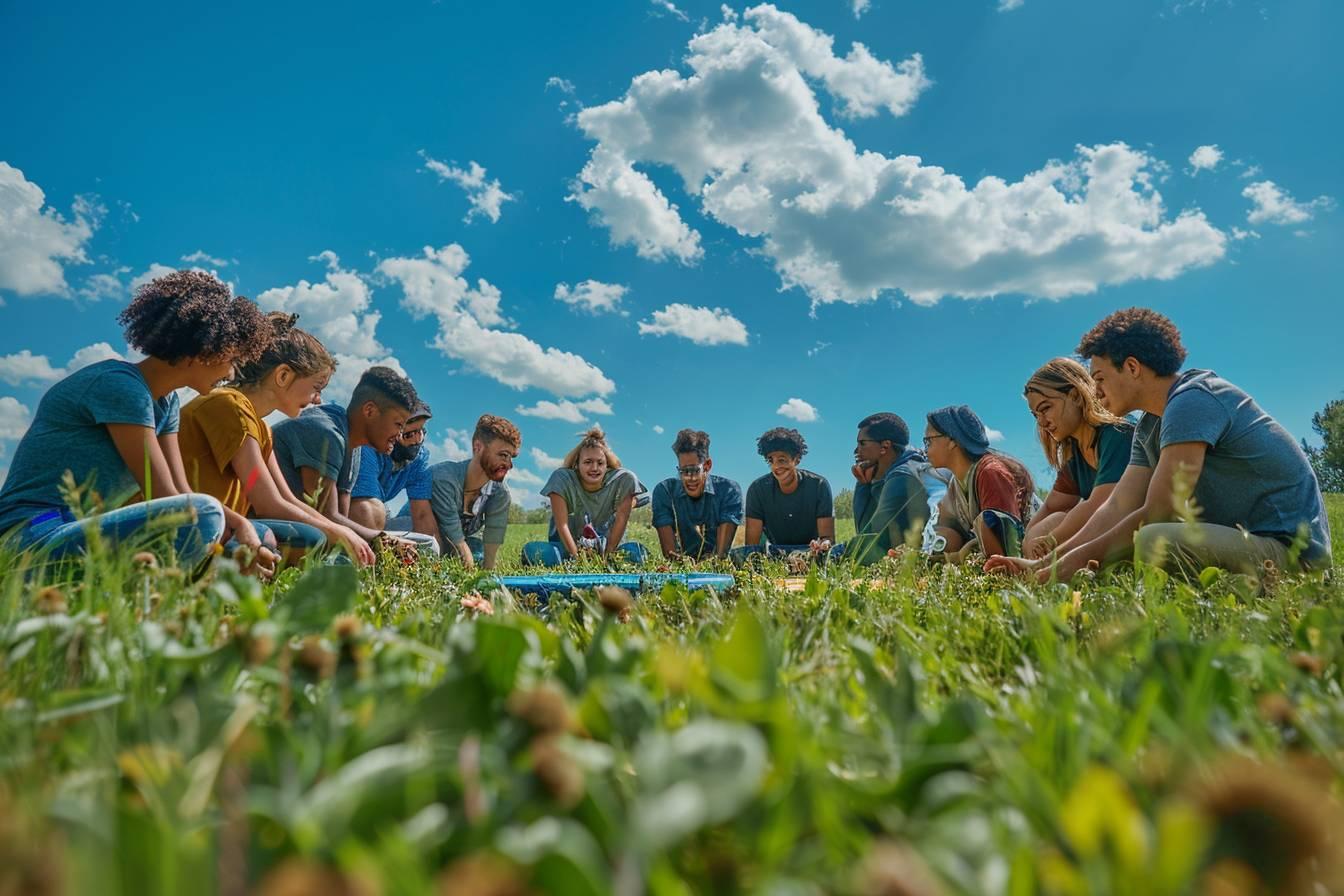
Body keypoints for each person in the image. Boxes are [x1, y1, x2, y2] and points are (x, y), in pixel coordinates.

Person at [986, 308, 1332, 580]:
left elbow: (1159, 512)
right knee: (1130, 547)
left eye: (1101, 378)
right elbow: (1117, 507)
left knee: (1153, 539)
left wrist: (1061, 568)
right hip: (1243, 541)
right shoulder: (1149, 426)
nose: (1097, 391)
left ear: (1132, 367)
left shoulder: (1193, 399)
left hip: (1291, 552)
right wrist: (1049, 562)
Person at [0, 270, 271, 569]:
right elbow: (164, 497)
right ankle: (181, 591)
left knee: (256, 533)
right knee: (208, 515)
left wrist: (243, 530)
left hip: (82, 529)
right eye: (231, 360)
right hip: (30, 531)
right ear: (204, 352)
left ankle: (207, 580)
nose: (231, 374)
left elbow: (181, 491)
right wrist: (238, 528)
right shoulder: (121, 386)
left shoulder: (166, 404)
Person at [177, 313, 375, 567]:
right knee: (310, 538)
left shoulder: (261, 428)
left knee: (319, 538)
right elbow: (267, 504)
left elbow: (286, 500)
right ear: (283, 376)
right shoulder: (229, 406)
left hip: (222, 526)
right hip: (193, 525)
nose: (317, 399)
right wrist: (336, 532)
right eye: (316, 387)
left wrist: (341, 531)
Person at [271, 366, 425, 561]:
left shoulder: (355, 445)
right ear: (370, 410)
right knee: (339, 551)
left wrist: (385, 541)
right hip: (272, 525)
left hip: (311, 527)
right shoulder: (327, 433)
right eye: (398, 424)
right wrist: (384, 540)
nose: (399, 435)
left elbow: (342, 519)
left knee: (421, 545)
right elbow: (327, 517)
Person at [1018, 358, 1134, 560]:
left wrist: (1050, 541)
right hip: (1104, 535)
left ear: (1075, 396)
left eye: (1046, 408)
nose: (1042, 422)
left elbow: (1101, 503)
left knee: (1074, 513)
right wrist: (1029, 541)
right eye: (1035, 415)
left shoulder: (1117, 433)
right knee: (1052, 520)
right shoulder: (1074, 456)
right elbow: (1051, 507)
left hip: (1135, 529)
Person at [924, 405, 1035, 562]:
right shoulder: (957, 483)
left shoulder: (991, 473)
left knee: (987, 521)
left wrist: (960, 555)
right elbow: (945, 528)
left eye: (929, 441)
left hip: (1031, 555)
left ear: (951, 440)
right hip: (1003, 556)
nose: (925, 450)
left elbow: (1004, 541)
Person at [523, 428, 648, 566]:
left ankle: (613, 562)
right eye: (588, 462)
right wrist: (577, 559)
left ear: (607, 465)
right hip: (567, 549)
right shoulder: (561, 479)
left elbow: (622, 519)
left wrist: (607, 557)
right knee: (532, 551)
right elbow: (562, 524)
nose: (594, 468)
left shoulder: (624, 480)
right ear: (577, 464)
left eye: (600, 463)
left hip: (610, 548)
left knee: (636, 552)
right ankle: (567, 561)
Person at [418, 414, 520, 569]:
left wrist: (488, 576)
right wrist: (470, 571)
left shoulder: (500, 493)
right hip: (418, 534)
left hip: (454, 545)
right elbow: (455, 535)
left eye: (511, 457)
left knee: (478, 553)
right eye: (503, 455)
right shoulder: (444, 478)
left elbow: (493, 535)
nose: (509, 465)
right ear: (478, 447)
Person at [847, 412, 942, 565]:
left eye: (862, 443)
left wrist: (825, 554)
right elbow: (864, 532)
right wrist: (865, 484)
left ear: (885, 446)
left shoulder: (903, 476)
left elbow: (869, 543)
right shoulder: (897, 471)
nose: (856, 451)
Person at [734, 427, 836, 564]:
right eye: (771, 460)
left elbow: (827, 538)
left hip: (812, 555)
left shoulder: (819, 486)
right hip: (776, 556)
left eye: (782, 460)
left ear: (797, 459)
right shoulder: (757, 490)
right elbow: (751, 548)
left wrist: (823, 545)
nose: (776, 466)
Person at [348, 402, 439, 553]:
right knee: (378, 511)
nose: (417, 440)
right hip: (348, 513)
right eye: (408, 434)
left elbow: (422, 515)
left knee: (429, 544)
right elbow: (365, 510)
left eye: (421, 432)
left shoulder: (419, 459)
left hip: (377, 517)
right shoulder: (369, 449)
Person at [651, 429, 744, 561]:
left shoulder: (729, 491)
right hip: (681, 568)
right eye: (683, 471)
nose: (690, 478)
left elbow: (720, 556)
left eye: (694, 470)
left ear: (707, 465)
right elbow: (670, 555)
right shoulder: (665, 491)